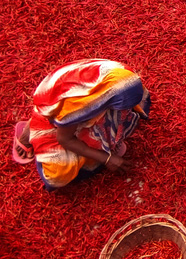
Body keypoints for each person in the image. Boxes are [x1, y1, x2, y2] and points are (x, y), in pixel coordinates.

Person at [11, 59, 151, 191]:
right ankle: (35, 125)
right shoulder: (75, 106)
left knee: (134, 108)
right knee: (59, 175)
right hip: (60, 111)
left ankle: (91, 137)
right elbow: (65, 139)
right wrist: (106, 158)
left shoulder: (122, 73)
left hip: (75, 95)